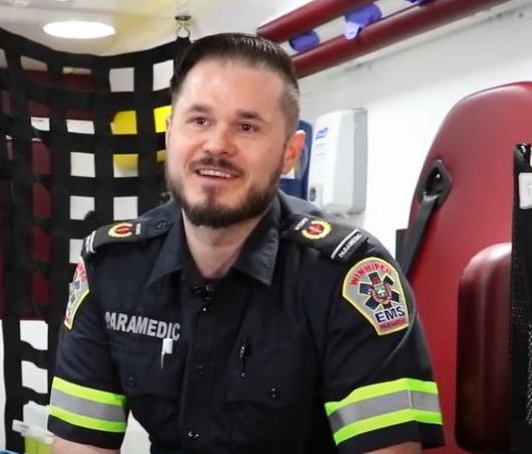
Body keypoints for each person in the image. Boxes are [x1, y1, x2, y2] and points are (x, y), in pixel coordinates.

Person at [47, 32, 444, 454]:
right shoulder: (112, 268)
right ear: (169, 133)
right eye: (199, 120)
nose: (217, 146)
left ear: (290, 152)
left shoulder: (349, 276)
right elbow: (79, 447)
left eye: (247, 126)